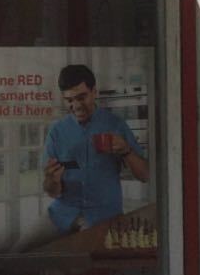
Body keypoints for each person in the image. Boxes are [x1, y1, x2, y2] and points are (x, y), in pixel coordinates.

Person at [43, 63, 148, 235]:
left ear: (94, 92)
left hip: (103, 217)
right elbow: (52, 192)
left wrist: (126, 150)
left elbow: (145, 175)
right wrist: (52, 181)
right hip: (62, 214)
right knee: (19, 248)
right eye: (70, 100)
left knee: (85, 249)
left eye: (81, 97)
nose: (76, 105)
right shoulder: (56, 132)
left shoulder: (115, 125)